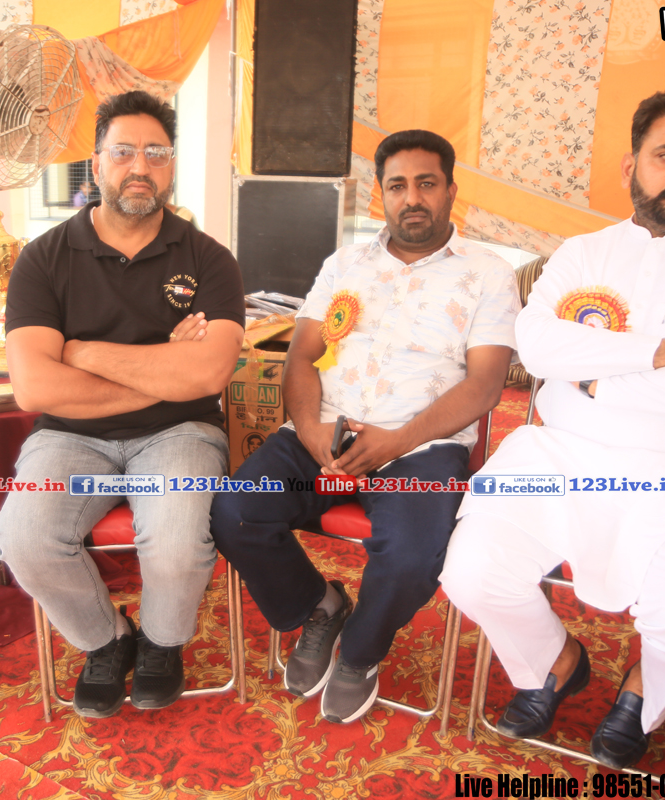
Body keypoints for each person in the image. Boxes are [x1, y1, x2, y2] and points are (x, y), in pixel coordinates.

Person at [439, 88, 665, 768]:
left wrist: (598, 378)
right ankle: (555, 664)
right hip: (556, 456)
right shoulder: (583, 253)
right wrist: (662, 353)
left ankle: (644, 688)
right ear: (632, 166)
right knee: (472, 575)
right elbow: (538, 348)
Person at [211, 129, 519, 724]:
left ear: (451, 190)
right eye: (398, 186)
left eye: (426, 184)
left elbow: (485, 386)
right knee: (235, 511)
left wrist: (398, 440)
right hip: (325, 435)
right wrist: (309, 430)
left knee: (410, 554)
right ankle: (321, 607)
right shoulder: (344, 264)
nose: (412, 199)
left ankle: (359, 651)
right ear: (381, 194)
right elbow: (301, 357)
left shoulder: (489, 274)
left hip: (420, 447)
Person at [0, 90, 245, 718]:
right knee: (24, 538)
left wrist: (81, 352)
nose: (140, 166)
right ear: (97, 162)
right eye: (124, 151)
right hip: (70, 434)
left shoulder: (210, 260)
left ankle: (162, 643)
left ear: (171, 164)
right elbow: (35, 389)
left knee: (178, 541)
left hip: (180, 431)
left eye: (156, 153)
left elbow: (209, 373)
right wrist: (166, 368)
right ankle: (108, 641)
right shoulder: (43, 258)